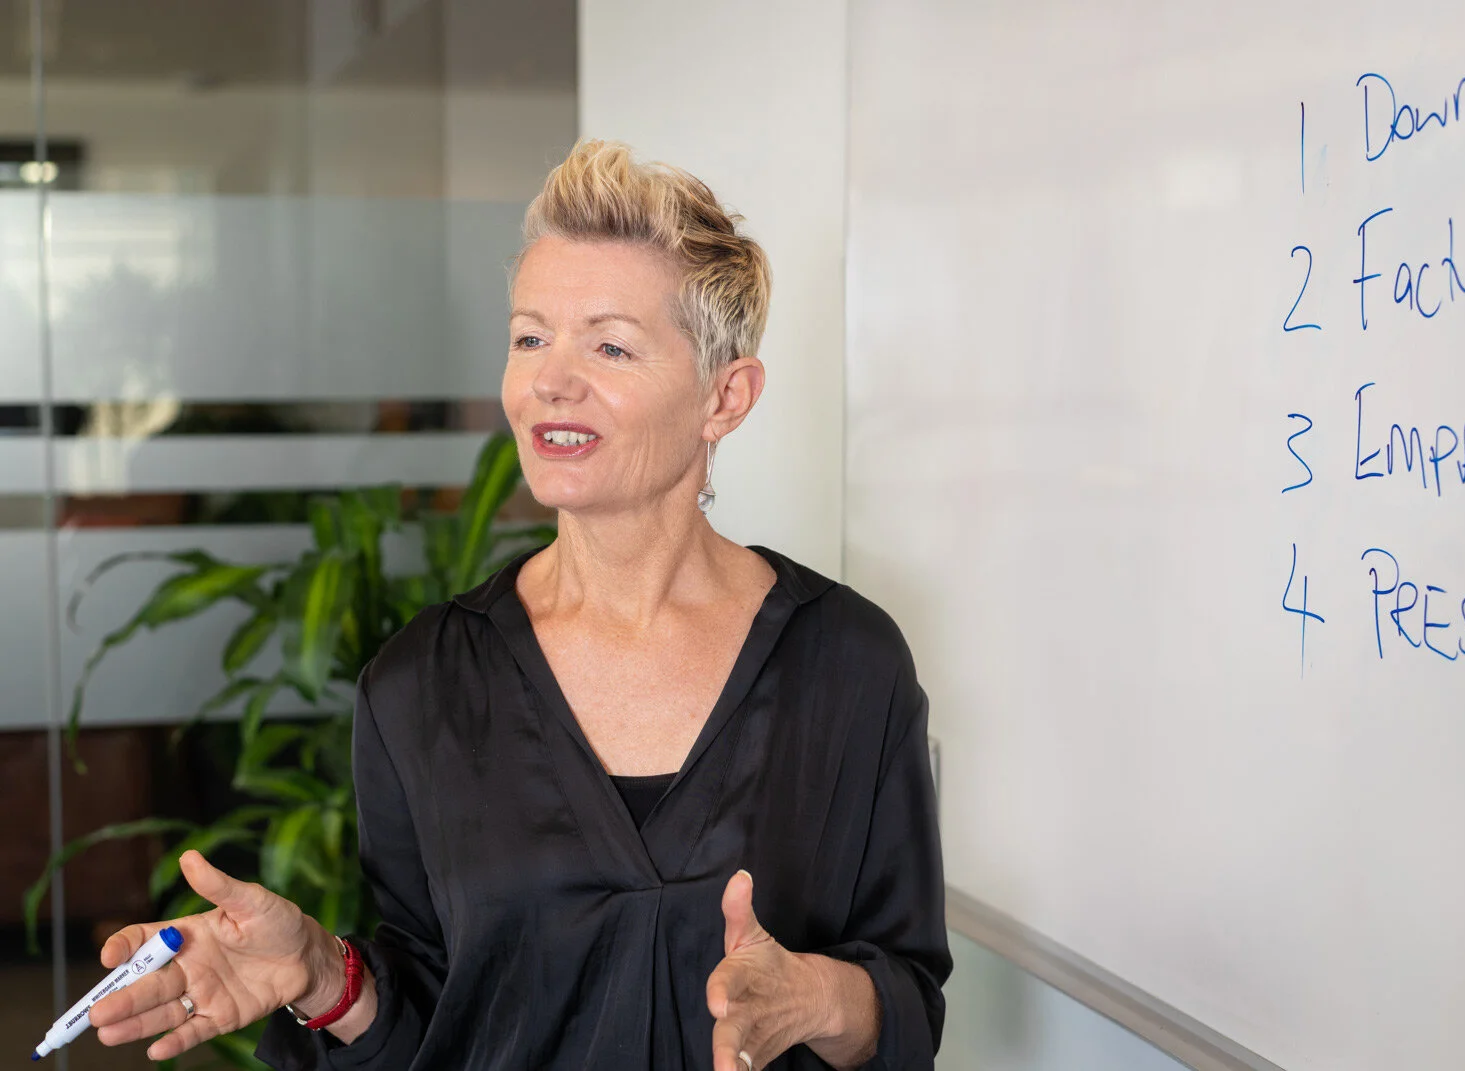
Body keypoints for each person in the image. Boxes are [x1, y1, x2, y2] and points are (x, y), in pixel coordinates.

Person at [87, 140, 951, 1070]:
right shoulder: (420, 684)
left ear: (725, 397)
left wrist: (813, 996)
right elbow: (431, 1018)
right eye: (530, 337)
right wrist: (321, 975)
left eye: (610, 345)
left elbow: (905, 1000)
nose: (550, 380)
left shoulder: (848, 663)